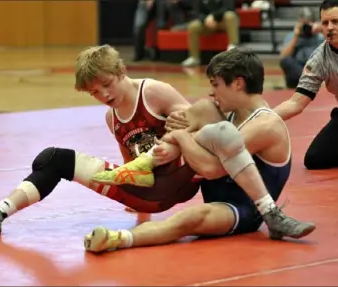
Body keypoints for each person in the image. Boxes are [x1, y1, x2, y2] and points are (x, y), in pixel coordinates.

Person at [84, 48, 316, 254]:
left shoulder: (266, 125)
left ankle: (117, 239)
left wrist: (182, 135)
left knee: (191, 217)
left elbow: (212, 169)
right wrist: (179, 129)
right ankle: (144, 163)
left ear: (237, 84)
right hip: (211, 187)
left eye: (216, 85)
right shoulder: (222, 111)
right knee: (203, 112)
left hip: (242, 208)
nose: (212, 93)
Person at [0, 44, 204, 235]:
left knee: (206, 123)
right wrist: (141, 210)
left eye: (107, 85)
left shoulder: (154, 92)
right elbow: (131, 166)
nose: (104, 95)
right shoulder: (112, 118)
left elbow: (205, 127)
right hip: (151, 193)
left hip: (181, 178)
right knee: (52, 160)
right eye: (95, 92)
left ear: (121, 71)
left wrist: (176, 145)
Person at [274, 0, 338, 170]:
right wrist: (263, 116)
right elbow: (296, 103)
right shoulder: (319, 58)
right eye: (325, 23)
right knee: (314, 159)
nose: (330, 27)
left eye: (335, 22)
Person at [279, 7, 324, 88]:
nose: (306, 28)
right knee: (286, 61)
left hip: (314, 69)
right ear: (299, 23)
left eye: (309, 24)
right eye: (304, 24)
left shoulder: (320, 36)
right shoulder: (292, 36)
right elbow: (283, 57)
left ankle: (310, 79)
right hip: (298, 73)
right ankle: (310, 80)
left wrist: (322, 29)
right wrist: (296, 36)